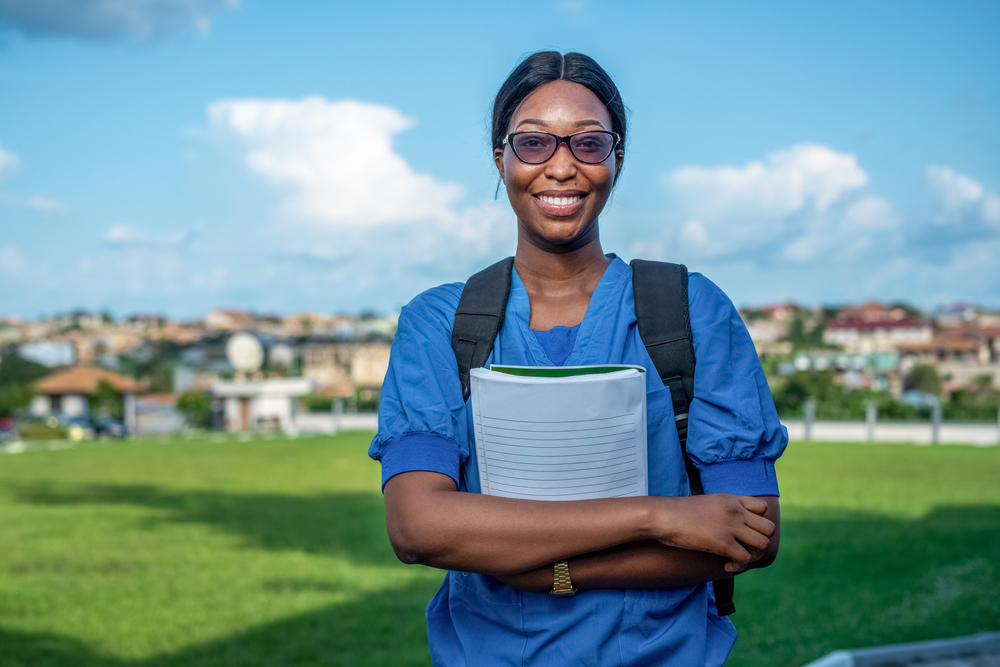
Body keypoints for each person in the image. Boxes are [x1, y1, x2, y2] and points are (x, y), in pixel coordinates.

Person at [369, 51, 788, 667]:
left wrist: (538, 567)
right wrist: (660, 517)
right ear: (499, 157)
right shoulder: (438, 322)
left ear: (617, 158)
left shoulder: (690, 310)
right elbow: (417, 527)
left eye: (589, 144)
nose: (562, 167)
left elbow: (752, 532)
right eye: (533, 142)